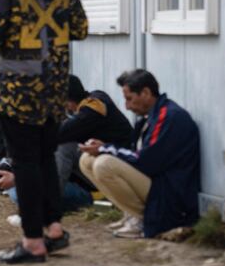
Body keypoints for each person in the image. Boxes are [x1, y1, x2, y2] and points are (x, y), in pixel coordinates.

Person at [0, 0, 89, 264]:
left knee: (26, 163)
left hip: (17, 87)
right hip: (56, 85)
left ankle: (32, 242)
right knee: (45, 157)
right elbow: (80, 26)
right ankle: (54, 229)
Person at [0, 75, 135, 214]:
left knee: (63, 145)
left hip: (109, 178)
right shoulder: (76, 113)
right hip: (83, 177)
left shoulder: (93, 107)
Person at [79, 69, 201, 239]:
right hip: (156, 184)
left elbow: (145, 161)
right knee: (87, 159)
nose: (127, 106)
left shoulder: (169, 117)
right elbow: (137, 155)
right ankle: (131, 214)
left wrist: (105, 149)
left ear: (145, 93)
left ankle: (143, 219)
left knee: (104, 164)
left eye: (129, 99)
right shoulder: (151, 116)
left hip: (170, 196)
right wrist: (103, 147)